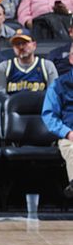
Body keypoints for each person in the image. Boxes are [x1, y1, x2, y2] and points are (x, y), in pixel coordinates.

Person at [41, 50, 73, 198]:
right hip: (69, 136)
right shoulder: (58, 85)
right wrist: (67, 133)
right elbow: (49, 116)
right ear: (71, 59)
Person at [0, 29, 57, 93]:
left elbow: (53, 94)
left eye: (24, 43)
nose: (21, 47)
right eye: (17, 44)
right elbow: (0, 95)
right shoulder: (4, 67)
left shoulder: (47, 66)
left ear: (34, 45)